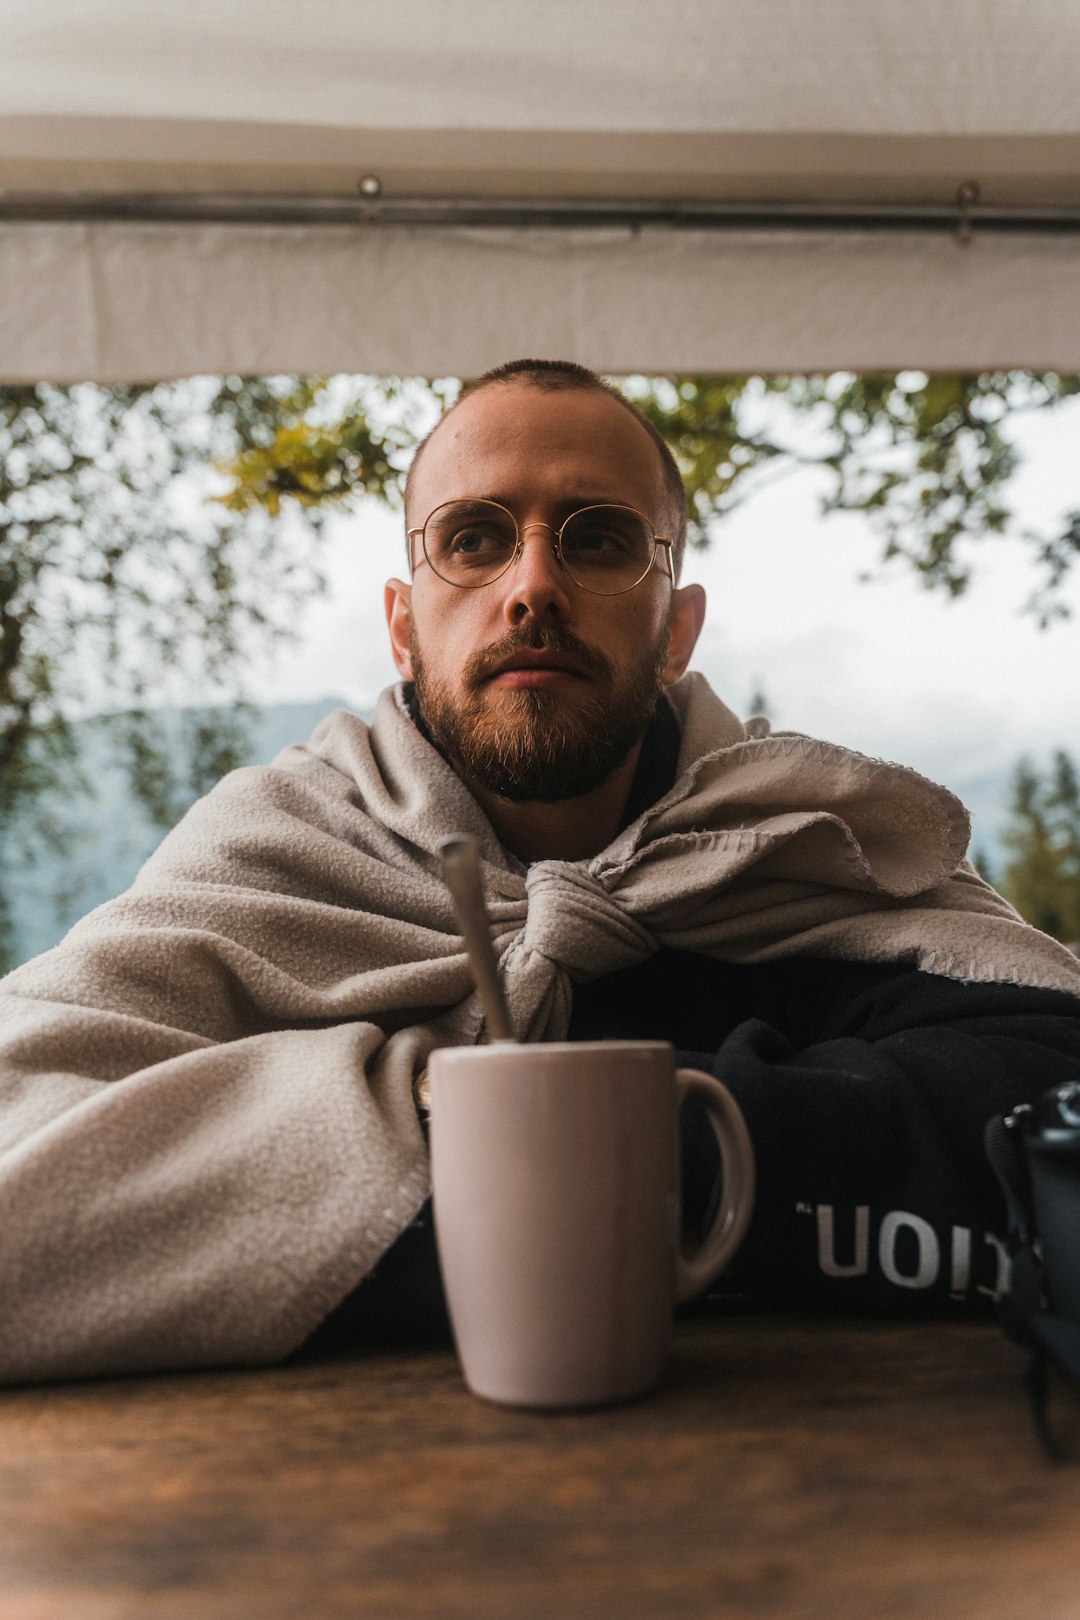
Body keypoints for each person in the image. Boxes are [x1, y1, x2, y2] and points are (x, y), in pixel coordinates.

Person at [1, 358, 1079, 1385]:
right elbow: (25, 1129)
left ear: (677, 631)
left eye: (601, 540)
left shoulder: (808, 842)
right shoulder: (275, 848)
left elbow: (1049, 1088)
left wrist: (583, 1160)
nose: (533, 586)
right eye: (473, 538)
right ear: (402, 627)